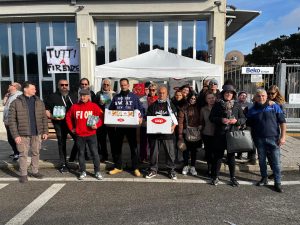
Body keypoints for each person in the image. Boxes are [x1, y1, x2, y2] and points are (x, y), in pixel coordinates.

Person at [246, 89, 286, 193]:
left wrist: (283, 137)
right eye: (258, 96)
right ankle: (264, 178)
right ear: (255, 97)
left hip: (274, 139)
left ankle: (278, 183)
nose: (261, 98)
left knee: (276, 162)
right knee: (262, 161)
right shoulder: (252, 109)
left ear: (266, 96)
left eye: (263, 96)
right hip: (259, 139)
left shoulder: (274, 106)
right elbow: (248, 124)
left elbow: (282, 122)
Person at [8, 81, 48, 183]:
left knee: (36, 153)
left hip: (36, 133)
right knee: (23, 154)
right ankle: (24, 174)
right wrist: (15, 135)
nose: (35, 90)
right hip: (22, 134)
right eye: (33, 88)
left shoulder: (39, 101)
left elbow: (44, 118)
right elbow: (11, 121)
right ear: (25, 89)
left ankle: (35, 171)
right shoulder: (16, 103)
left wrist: (45, 132)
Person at [209, 84, 246, 186]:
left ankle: (232, 177)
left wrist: (236, 121)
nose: (228, 94)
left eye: (230, 93)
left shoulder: (237, 105)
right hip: (220, 135)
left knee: (231, 157)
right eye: (226, 92)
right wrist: (221, 120)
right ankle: (215, 176)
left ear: (233, 95)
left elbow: (243, 119)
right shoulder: (217, 104)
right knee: (218, 156)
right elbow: (211, 118)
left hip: (232, 134)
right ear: (223, 94)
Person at [108, 78, 144, 177]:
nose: (123, 87)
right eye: (122, 85)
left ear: (128, 85)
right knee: (117, 147)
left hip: (131, 127)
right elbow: (110, 110)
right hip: (119, 127)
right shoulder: (116, 97)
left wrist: (141, 117)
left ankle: (135, 167)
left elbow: (140, 109)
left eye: (125, 85)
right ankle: (118, 167)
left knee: (133, 148)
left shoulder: (134, 97)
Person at [66, 88, 104, 180]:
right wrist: (71, 129)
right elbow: (68, 117)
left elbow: (101, 117)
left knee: (95, 153)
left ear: (88, 97)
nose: (83, 97)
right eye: (81, 95)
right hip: (79, 135)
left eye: (85, 95)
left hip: (91, 134)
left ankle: (97, 171)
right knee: (81, 154)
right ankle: (82, 171)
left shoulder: (94, 106)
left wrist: (97, 125)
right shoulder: (74, 107)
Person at [45, 79, 78, 173]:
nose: (64, 86)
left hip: (72, 123)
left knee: (79, 140)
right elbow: (46, 110)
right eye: (62, 85)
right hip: (60, 124)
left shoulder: (73, 95)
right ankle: (63, 163)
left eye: (66, 84)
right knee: (61, 143)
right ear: (58, 86)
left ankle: (72, 158)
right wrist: (52, 117)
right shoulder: (52, 97)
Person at [145, 85, 178, 180]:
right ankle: (153, 170)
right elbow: (148, 119)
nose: (162, 95)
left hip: (168, 135)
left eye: (164, 93)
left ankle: (171, 170)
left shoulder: (171, 106)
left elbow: (175, 120)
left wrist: (173, 127)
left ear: (167, 94)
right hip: (155, 135)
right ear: (157, 93)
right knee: (154, 154)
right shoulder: (152, 106)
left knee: (170, 154)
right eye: (160, 93)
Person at [178, 92, 201, 176]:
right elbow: (180, 122)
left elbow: (201, 119)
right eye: (191, 98)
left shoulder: (198, 108)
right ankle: (185, 166)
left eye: (194, 99)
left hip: (196, 132)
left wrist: (201, 125)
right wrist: (180, 134)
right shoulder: (184, 108)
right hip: (186, 131)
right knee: (185, 150)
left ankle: (193, 166)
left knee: (194, 151)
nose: (193, 100)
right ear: (188, 98)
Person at [266, 85, 286, 179]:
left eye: (272, 93)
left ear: (277, 93)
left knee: (275, 154)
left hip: (275, 132)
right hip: (266, 131)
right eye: (268, 93)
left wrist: (283, 137)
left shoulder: (280, 104)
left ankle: (277, 173)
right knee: (268, 154)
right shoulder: (266, 101)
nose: (270, 95)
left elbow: (282, 119)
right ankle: (274, 171)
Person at [95, 79, 116, 162]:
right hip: (101, 119)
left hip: (111, 119)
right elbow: (95, 106)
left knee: (113, 139)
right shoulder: (98, 94)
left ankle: (115, 156)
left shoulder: (114, 94)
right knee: (102, 139)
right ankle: (104, 156)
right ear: (102, 85)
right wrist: (100, 103)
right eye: (104, 84)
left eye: (107, 85)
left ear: (110, 85)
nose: (106, 86)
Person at [3, 82, 22, 160]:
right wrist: (6, 96)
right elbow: (5, 104)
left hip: (14, 122)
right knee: (10, 138)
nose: (9, 86)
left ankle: (19, 153)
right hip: (8, 121)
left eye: (10, 85)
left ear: (15, 87)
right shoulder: (11, 95)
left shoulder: (18, 95)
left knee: (14, 138)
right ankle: (15, 152)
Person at [139, 82, 158, 162]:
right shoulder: (142, 99)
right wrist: (142, 118)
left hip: (155, 124)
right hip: (145, 123)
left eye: (153, 90)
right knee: (143, 141)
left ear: (156, 90)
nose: (151, 91)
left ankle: (152, 158)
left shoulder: (159, 99)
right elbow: (140, 110)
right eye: (150, 90)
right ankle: (143, 157)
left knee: (153, 142)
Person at [235, 91, 255, 163]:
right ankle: (239, 155)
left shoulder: (250, 105)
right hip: (238, 124)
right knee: (239, 139)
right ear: (238, 96)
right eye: (241, 95)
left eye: (244, 95)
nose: (243, 97)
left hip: (248, 124)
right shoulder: (236, 104)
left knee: (250, 140)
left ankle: (251, 157)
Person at [200, 90, 216, 177]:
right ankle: (209, 169)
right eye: (209, 98)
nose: (211, 100)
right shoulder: (203, 109)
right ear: (206, 100)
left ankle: (215, 170)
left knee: (215, 153)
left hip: (217, 134)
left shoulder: (219, 107)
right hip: (206, 133)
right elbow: (201, 121)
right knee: (209, 153)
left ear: (215, 98)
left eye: (213, 98)